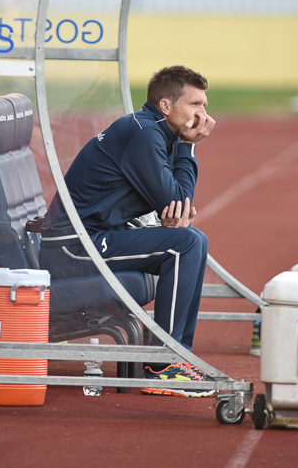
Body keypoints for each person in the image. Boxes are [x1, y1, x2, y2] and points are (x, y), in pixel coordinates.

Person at [39, 66, 216, 397]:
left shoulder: (153, 130)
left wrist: (174, 203)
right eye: (194, 104)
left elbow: (176, 206)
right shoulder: (146, 134)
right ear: (166, 105)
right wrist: (188, 146)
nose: (203, 115)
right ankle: (163, 364)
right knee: (186, 245)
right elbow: (178, 202)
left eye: (204, 105)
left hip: (90, 239)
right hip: (72, 248)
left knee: (195, 240)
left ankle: (178, 357)